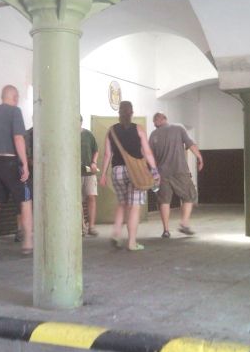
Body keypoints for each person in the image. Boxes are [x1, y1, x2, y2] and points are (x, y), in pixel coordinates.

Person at [0, 85, 32, 261]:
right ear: (15, 97)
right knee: (25, 201)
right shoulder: (15, 112)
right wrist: (24, 163)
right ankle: (27, 243)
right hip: (11, 162)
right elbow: (18, 138)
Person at [99, 101, 159, 251]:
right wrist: (155, 170)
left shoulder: (111, 131)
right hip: (135, 172)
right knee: (134, 207)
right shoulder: (139, 129)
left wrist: (103, 174)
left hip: (117, 171)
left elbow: (107, 155)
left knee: (122, 203)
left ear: (119, 113)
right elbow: (147, 152)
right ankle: (132, 243)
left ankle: (116, 233)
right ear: (132, 113)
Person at [149, 112, 203, 238]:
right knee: (189, 196)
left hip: (162, 173)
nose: (154, 123)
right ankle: (184, 223)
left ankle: (166, 230)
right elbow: (190, 144)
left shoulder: (153, 135)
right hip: (180, 170)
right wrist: (199, 157)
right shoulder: (178, 128)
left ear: (160, 120)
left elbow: (149, 155)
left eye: (154, 121)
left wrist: (153, 172)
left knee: (164, 201)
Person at [80, 116, 99, 236]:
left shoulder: (88, 135)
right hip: (74, 174)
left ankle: (91, 226)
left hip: (89, 172)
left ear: (81, 122)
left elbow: (95, 150)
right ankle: (82, 227)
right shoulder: (68, 134)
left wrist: (94, 162)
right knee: (78, 201)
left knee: (91, 197)